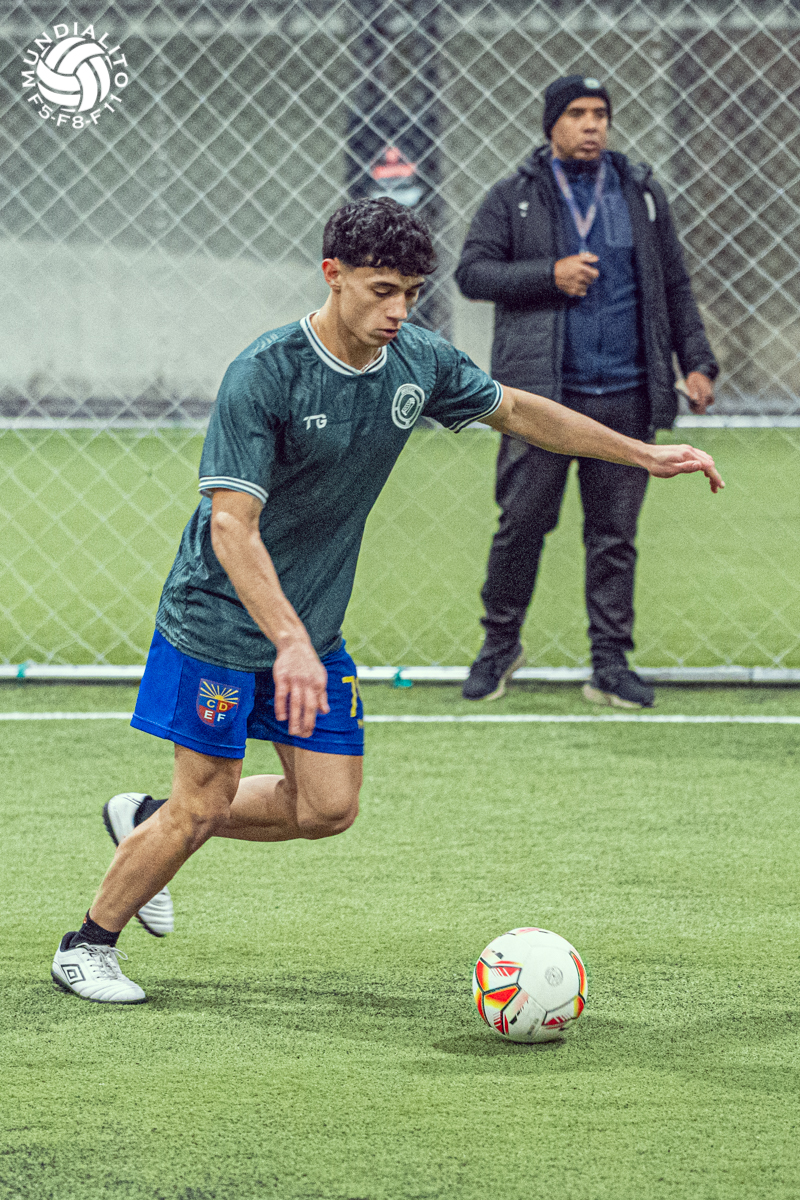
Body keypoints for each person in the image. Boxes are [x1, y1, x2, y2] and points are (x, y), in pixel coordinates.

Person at [51, 197, 723, 1004]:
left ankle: (146, 820)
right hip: (220, 622)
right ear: (332, 276)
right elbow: (231, 527)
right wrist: (288, 641)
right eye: (381, 290)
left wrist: (639, 453)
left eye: (410, 291)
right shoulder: (265, 373)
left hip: (312, 626)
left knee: (326, 807)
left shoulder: (417, 362)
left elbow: (514, 409)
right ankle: (86, 946)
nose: (399, 309)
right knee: (205, 802)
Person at [456, 74, 719, 708]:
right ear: (551, 124)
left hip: (627, 392)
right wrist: (548, 275)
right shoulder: (514, 196)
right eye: (577, 112)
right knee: (521, 525)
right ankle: (499, 647)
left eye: (600, 112)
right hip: (541, 399)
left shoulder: (641, 193)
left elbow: (675, 284)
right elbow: (471, 273)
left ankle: (609, 664)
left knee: (613, 537)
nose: (592, 124)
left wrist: (697, 362)